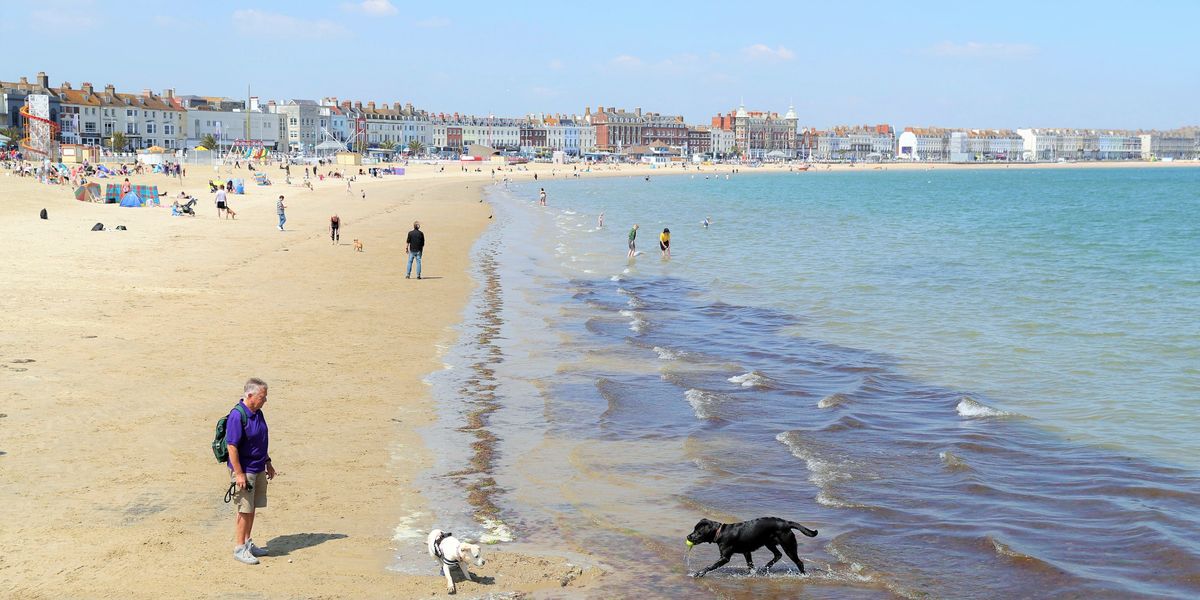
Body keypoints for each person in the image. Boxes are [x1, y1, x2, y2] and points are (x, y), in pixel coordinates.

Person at [226, 377, 276, 565]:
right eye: (262, 396)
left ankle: (247, 542)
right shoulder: (237, 416)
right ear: (250, 395)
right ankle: (239, 548)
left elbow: (260, 441)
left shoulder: (258, 413)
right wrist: (239, 474)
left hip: (258, 467)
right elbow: (232, 446)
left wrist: (268, 462)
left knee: (252, 507)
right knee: (244, 509)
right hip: (245, 470)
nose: (265, 400)